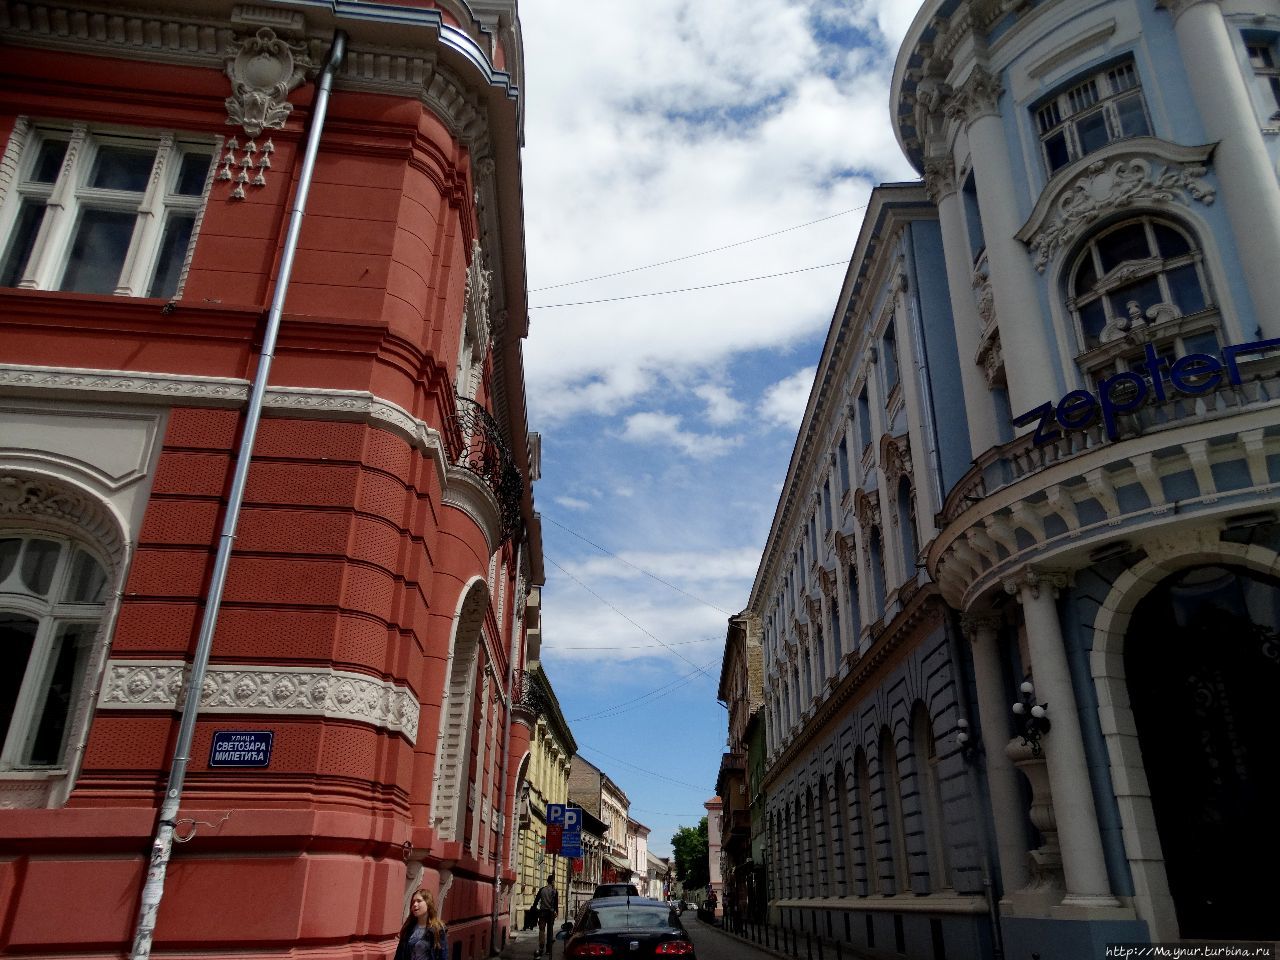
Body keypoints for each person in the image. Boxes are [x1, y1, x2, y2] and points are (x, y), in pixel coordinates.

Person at [394, 887, 448, 960]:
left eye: (419, 901)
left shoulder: (437, 929)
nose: (415, 904)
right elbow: (399, 955)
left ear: (428, 903)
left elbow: (442, 956)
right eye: (413, 902)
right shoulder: (408, 927)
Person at [532, 875, 559, 958]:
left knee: (542, 930)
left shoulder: (542, 890)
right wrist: (556, 912)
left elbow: (536, 901)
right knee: (550, 931)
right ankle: (548, 949)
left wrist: (535, 908)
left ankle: (541, 947)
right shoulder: (554, 891)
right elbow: (555, 904)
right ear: (552, 882)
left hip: (542, 913)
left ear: (547, 881)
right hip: (550, 914)